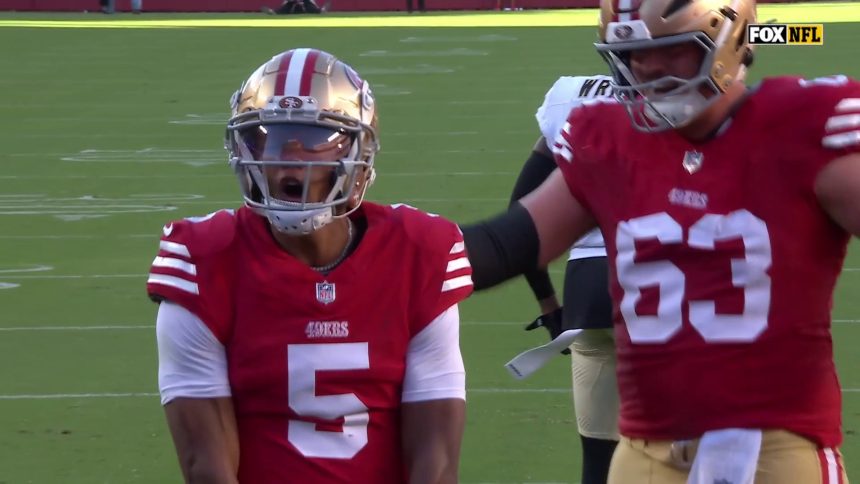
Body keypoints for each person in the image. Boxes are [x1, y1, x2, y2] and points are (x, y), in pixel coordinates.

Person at [464, 0, 859, 481]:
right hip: (646, 449)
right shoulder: (606, 137)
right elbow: (511, 244)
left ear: (727, 40)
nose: (649, 68)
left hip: (774, 444)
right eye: (633, 54)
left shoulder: (803, 123)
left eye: (671, 50)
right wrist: (394, 248)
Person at [148, 48, 472, 484]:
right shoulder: (201, 261)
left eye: (313, 139)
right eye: (268, 137)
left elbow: (435, 460)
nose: (287, 158)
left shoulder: (418, 253)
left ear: (360, 154)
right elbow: (206, 466)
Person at [510, 73, 618, 484]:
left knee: (598, 459)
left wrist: (549, 306)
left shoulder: (569, 96)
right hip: (657, 294)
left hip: (585, 297)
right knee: (676, 453)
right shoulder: (680, 93)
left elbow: (518, 212)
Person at [262, 0, 329, 14]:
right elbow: (285, 2)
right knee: (288, 4)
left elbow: (311, 2)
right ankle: (273, 12)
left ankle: (321, 10)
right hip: (293, 6)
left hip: (304, 5)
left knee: (307, 4)